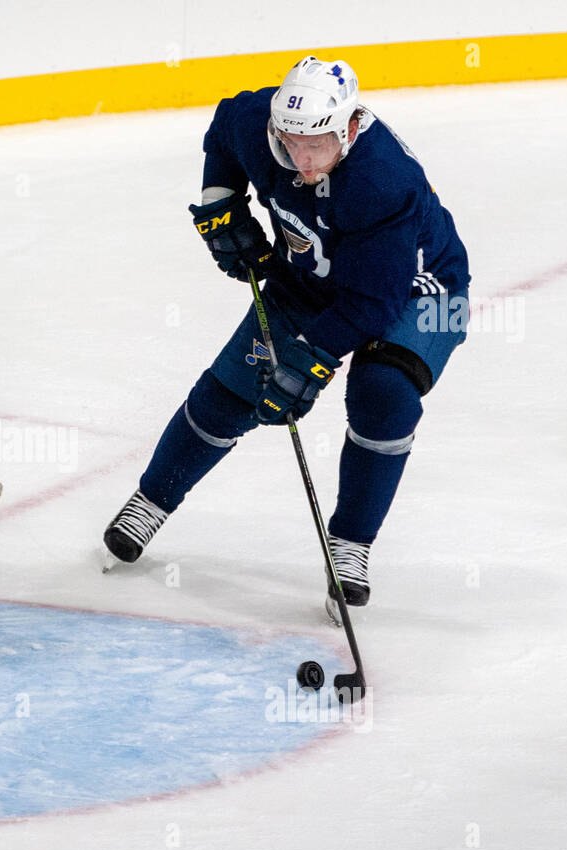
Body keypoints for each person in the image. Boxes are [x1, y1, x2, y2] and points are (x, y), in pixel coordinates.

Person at [102, 56, 470, 613]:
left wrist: (309, 360)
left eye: (317, 143)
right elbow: (224, 128)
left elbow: (372, 304)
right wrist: (220, 205)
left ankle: (350, 544)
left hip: (420, 294)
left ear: (349, 129)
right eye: (290, 140)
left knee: (382, 396)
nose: (301, 159)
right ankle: (150, 502)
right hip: (310, 280)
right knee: (230, 393)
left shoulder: (382, 181)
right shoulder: (260, 123)